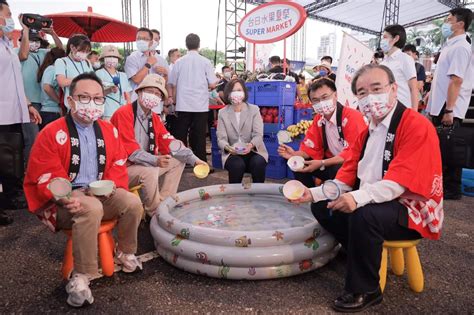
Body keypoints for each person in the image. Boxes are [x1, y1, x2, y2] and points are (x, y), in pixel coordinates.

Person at [293, 64, 443, 312]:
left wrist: (357, 198)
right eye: (362, 93)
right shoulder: (367, 131)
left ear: (394, 89)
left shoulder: (415, 125)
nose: (370, 97)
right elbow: (346, 177)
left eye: (376, 88)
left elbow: (400, 183)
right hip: (376, 198)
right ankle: (359, 252)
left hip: (412, 207)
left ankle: (366, 289)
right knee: (321, 206)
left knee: (365, 214)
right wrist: (312, 193)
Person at [23, 72, 143, 307]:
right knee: (90, 207)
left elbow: (119, 163)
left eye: (98, 99)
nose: (92, 104)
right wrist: (67, 194)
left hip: (99, 193)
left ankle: (126, 251)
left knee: (132, 202)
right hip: (63, 201)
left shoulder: (109, 131)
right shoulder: (51, 132)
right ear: (70, 101)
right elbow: (43, 172)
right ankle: (81, 274)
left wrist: (112, 187)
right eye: (84, 97)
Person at [111, 74, 207, 217]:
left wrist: (194, 159)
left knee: (178, 159)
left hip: (144, 164)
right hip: (123, 168)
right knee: (149, 171)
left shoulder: (154, 118)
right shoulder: (124, 113)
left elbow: (170, 143)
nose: (153, 96)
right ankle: (155, 213)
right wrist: (155, 160)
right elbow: (131, 151)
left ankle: (165, 201)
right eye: (150, 91)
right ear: (139, 92)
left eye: (157, 94)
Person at [278, 78, 367, 188]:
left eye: (325, 97)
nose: (321, 103)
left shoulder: (353, 117)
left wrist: (322, 163)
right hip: (329, 162)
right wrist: (295, 154)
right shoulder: (319, 119)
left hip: (352, 166)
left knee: (337, 169)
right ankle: (309, 195)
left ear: (335, 95)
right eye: (315, 100)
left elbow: (353, 153)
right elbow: (312, 148)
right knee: (299, 164)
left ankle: (333, 198)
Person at [0, 0, 42, 224]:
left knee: (9, 160)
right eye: (7, 14)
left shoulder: (6, 44)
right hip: (1, 113)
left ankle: (8, 198)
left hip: (12, 113)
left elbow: (15, 79)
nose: (10, 18)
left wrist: (28, 105)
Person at [427, 8, 473, 200]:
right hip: (441, 105)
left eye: (448, 20)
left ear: (460, 24)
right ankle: (442, 184)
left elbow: (456, 80)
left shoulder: (461, 47)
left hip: (449, 107)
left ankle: (451, 188)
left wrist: (449, 109)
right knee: (441, 147)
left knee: (450, 147)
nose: (445, 24)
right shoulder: (450, 46)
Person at [16, 17, 63, 161]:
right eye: (31, 40)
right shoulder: (16, 52)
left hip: (43, 104)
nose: (34, 43)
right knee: (32, 138)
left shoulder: (43, 53)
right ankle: (28, 172)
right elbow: (23, 55)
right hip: (27, 103)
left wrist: (52, 33)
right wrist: (25, 30)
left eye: (36, 40)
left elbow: (60, 50)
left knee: (43, 139)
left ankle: (40, 168)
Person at [168, 33, 219, 162]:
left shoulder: (178, 62)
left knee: (181, 134)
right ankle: (200, 161)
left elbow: (171, 83)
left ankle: (180, 162)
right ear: (199, 45)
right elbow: (212, 83)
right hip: (200, 104)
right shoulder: (205, 62)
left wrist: (171, 98)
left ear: (186, 45)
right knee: (199, 135)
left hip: (183, 103)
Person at [217, 78, 268, 183]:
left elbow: (258, 135)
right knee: (237, 165)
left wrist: (250, 145)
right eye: (233, 91)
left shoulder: (254, 110)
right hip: (233, 153)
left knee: (258, 163)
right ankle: (235, 196)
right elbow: (221, 139)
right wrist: (228, 148)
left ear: (244, 92)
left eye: (239, 90)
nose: (237, 93)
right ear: (228, 94)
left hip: (253, 150)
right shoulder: (223, 113)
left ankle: (258, 193)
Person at [124, 27, 169, 101]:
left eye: (145, 39)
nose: (141, 41)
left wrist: (165, 74)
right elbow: (137, 80)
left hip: (155, 101)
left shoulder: (160, 59)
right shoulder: (132, 58)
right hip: (137, 100)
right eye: (138, 38)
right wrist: (148, 64)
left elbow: (163, 83)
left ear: (151, 42)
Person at [380, 24, 419, 110]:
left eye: (385, 37)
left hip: (403, 110)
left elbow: (414, 88)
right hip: (386, 110)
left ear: (396, 38)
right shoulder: (383, 63)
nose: (382, 41)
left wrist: (414, 113)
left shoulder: (405, 59)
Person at [55, 34, 93, 109]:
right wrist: (81, 78)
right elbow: (61, 82)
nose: (84, 54)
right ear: (72, 47)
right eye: (82, 51)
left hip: (88, 103)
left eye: (86, 52)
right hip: (72, 105)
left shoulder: (87, 62)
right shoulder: (61, 61)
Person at [95, 45, 132, 120]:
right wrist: (109, 90)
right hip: (107, 112)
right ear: (103, 59)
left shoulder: (123, 75)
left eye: (114, 57)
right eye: (109, 56)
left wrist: (129, 109)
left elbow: (127, 94)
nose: (112, 59)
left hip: (123, 111)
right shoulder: (98, 73)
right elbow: (97, 94)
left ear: (118, 59)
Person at [37, 47, 66, 128]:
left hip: (51, 112)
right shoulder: (52, 69)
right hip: (51, 112)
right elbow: (47, 87)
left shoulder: (50, 69)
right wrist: (59, 102)